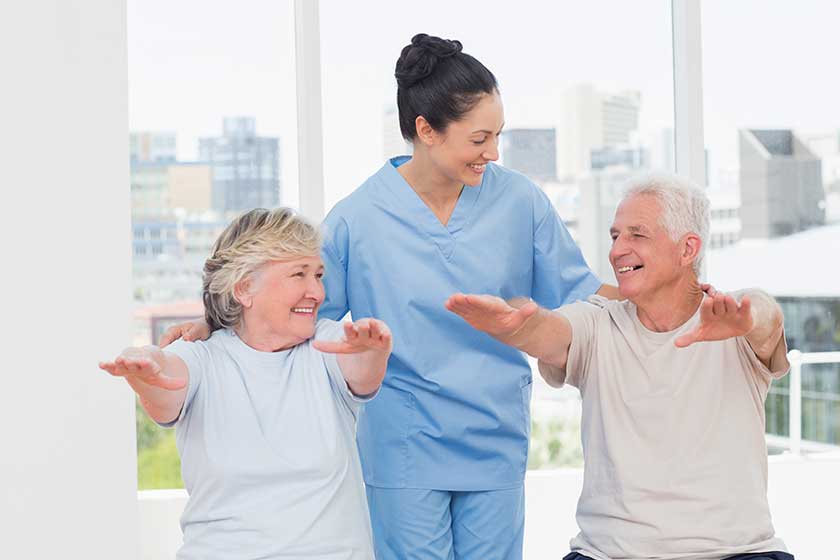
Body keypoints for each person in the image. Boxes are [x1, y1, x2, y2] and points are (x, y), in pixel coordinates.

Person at [160, 34, 619, 559]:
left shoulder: (520, 201)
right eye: (478, 139)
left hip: (493, 436)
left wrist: (661, 297)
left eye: (498, 136)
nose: (492, 153)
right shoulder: (359, 217)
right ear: (426, 130)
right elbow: (299, 311)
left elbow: (580, 292)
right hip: (403, 445)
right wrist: (215, 326)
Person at [446, 175, 793, 560]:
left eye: (636, 235)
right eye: (614, 236)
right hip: (609, 554)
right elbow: (551, 332)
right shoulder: (598, 322)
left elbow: (766, 316)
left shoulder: (732, 316)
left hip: (738, 552)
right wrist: (519, 329)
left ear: (687, 249)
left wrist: (748, 320)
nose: (617, 251)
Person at [100, 208, 391, 559]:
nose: (316, 291)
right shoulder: (202, 356)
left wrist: (374, 351)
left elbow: (362, 372)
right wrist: (145, 368)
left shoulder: (327, 345)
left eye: (318, 275)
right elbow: (166, 384)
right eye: (298, 275)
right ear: (244, 289)